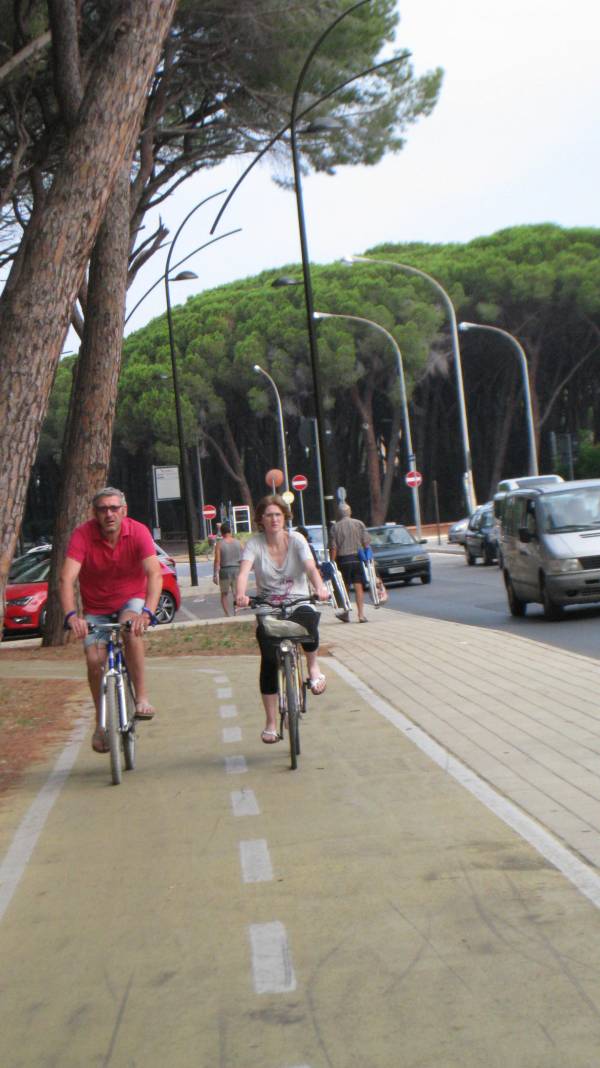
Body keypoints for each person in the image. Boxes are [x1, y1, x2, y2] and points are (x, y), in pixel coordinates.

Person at [59, 486, 163, 754]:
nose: (109, 514)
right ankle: (101, 723)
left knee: (131, 630)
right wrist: (72, 616)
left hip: (131, 600)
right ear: (94, 513)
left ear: (124, 511)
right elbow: (67, 578)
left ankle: (141, 698)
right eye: (103, 509)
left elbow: (154, 574)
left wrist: (147, 613)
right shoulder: (83, 535)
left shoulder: (138, 531)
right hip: (96, 608)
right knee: (94, 660)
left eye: (114, 508)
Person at [235, 495, 330, 744]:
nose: (274, 519)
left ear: (285, 517)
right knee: (268, 659)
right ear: (261, 519)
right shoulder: (254, 544)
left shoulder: (297, 540)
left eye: (278, 514)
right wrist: (241, 595)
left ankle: (313, 668)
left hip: (298, 600)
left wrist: (320, 587)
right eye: (268, 515)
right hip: (268, 605)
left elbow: (310, 568)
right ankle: (270, 722)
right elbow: (243, 572)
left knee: (309, 620)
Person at [330, 502, 385, 622]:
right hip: (357, 559)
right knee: (358, 586)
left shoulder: (335, 527)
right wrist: (370, 560)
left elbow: (334, 547)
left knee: (344, 587)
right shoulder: (359, 524)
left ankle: (346, 612)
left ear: (339, 514)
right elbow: (366, 543)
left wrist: (331, 562)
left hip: (343, 560)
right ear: (350, 512)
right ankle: (360, 615)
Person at [213, 521, 242, 616]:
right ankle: (236, 613)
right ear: (230, 531)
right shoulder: (238, 543)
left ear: (221, 533)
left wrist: (215, 574)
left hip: (224, 571)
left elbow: (217, 560)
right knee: (236, 593)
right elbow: (244, 556)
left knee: (224, 594)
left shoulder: (219, 544)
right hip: (237, 570)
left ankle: (227, 614)